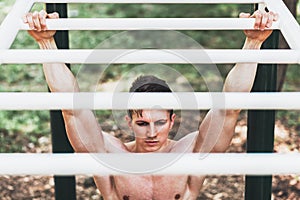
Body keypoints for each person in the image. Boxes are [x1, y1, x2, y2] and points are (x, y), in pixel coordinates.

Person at [24, 9, 278, 200]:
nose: (152, 132)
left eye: (159, 122)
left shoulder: (191, 153)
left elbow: (229, 107)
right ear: (128, 122)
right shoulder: (110, 155)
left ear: (172, 120)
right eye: (142, 123)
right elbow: (71, 107)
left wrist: (253, 42)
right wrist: (45, 42)